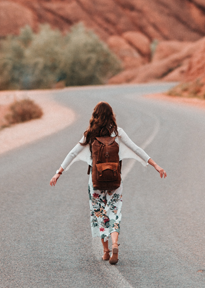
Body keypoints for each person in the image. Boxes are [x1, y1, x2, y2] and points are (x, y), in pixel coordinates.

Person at [50, 102, 166, 265]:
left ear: (95, 116)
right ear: (111, 115)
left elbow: (73, 153)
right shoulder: (118, 133)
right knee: (114, 212)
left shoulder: (90, 134)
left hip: (96, 182)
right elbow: (136, 149)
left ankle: (106, 251)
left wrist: (58, 173)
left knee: (100, 214)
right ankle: (115, 244)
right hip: (115, 182)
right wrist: (155, 165)